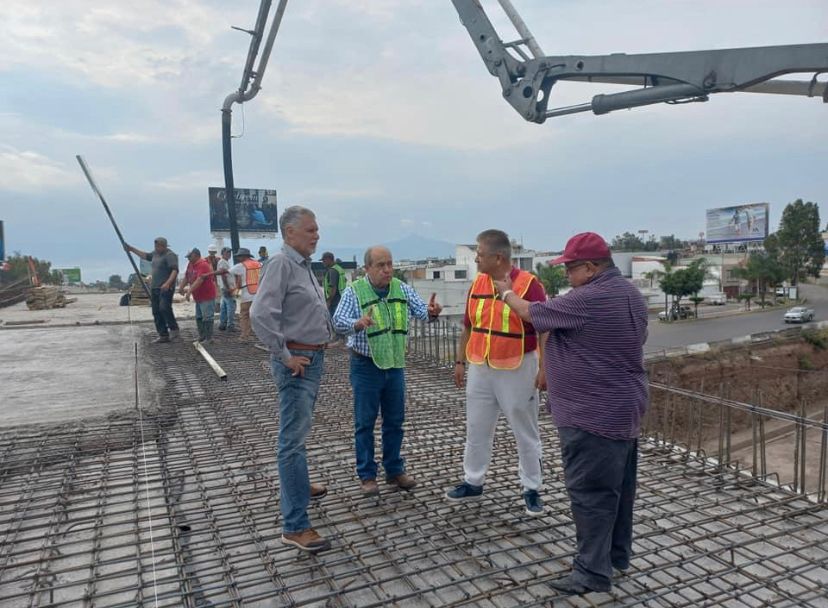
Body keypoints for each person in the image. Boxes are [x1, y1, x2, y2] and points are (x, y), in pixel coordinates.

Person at [492, 232, 648, 596]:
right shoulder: (631, 296)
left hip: (590, 414)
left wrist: (505, 290)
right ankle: (617, 556)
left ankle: (592, 573)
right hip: (625, 408)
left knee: (591, 494)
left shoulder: (588, 298)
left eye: (572, 268)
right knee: (619, 490)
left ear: (591, 268)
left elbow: (531, 313)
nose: (567, 275)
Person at [446, 229, 548, 516]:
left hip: (517, 366)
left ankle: (532, 488)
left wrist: (544, 368)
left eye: (480, 253)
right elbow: (468, 326)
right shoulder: (477, 283)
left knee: (525, 430)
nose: (476, 258)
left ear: (498, 257)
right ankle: (473, 481)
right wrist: (459, 362)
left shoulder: (529, 285)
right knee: (477, 427)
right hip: (481, 366)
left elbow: (545, 329)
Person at [250, 206, 334, 553]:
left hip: (311, 358)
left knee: (298, 436)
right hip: (297, 362)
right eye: (310, 230)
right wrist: (285, 356)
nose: (316, 235)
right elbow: (260, 314)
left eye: (317, 229)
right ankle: (295, 525)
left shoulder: (303, 265)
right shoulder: (282, 264)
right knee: (291, 443)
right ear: (289, 234)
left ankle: (299, 486)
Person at [333, 246, 442, 496]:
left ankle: (394, 470)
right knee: (365, 423)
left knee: (395, 421)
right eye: (381, 265)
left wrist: (433, 313)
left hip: (394, 365)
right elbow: (338, 322)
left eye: (390, 264)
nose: (387, 270)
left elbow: (421, 312)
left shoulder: (401, 288)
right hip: (365, 366)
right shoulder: (354, 292)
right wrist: (357, 323)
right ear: (367, 268)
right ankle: (367, 475)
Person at [124, 237, 179, 343]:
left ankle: (174, 328)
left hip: (165, 287)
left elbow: (175, 271)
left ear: (164, 246)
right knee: (156, 311)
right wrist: (131, 249)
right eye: (155, 246)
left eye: (158, 246)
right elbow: (145, 256)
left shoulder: (170, 255)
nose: (156, 248)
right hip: (155, 287)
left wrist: (168, 283)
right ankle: (163, 335)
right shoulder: (155, 254)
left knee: (164, 307)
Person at [180, 248, 218, 342]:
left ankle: (209, 338)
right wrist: (181, 287)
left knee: (207, 316)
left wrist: (189, 291)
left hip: (206, 295)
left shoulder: (203, 265)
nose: (188, 259)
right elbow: (187, 276)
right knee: (199, 317)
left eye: (190, 257)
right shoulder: (191, 265)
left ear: (196, 255)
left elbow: (199, 280)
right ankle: (202, 336)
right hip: (198, 296)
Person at [230, 248, 262, 340]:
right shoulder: (260, 264)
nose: (238, 258)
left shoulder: (240, 266)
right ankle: (260, 334)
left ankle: (245, 335)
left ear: (244, 256)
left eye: (239, 256)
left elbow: (228, 272)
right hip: (259, 294)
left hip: (247, 294)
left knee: (244, 315)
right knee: (258, 315)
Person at [215, 247, 236, 331]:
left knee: (224, 306)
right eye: (227, 253)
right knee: (231, 306)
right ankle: (230, 325)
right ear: (222, 253)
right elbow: (223, 276)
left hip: (224, 287)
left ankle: (222, 324)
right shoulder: (223, 262)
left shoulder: (224, 262)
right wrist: (228, 288)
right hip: (227, 287)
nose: (229, 254)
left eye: (230, 253)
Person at [321, 252, 347, 317]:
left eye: (324, 260)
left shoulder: (332, 271)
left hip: (334, 302)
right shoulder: (338, 268)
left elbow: (333, 287)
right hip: (341, 299)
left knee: (332, 321)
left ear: (329, 259)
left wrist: (329, 301)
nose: (323, 262)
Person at [206, 244, 221, 312]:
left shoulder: (218, 260)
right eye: (211, 252)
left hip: (217, 279)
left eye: (213, 252)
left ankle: (216, 307)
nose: (212, 254)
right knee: (213, 294)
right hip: (211, 279)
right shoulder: (206, 260)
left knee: (218, 294)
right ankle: (214, 307)